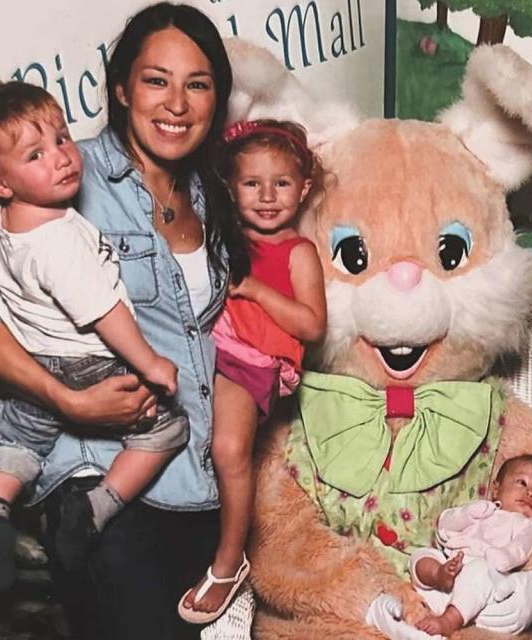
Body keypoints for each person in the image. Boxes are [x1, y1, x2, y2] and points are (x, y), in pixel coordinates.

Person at [0, 4, 244, 638]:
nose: (177, 103)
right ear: (120, 87)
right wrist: (67, 401)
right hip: (98, 484)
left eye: (198, 84)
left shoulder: (211, 193)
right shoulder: (56, 175)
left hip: (197, 480)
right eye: (156, 80)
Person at [0, 80, 187, 595]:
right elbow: (105, 315)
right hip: (91, 363)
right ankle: (95, 509)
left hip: (37, 358)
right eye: (36, 154)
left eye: (61, 138)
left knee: (16, 435)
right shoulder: (60, 240)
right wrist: (150, 363)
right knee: (166, 431)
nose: (61, 158)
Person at [178, 119, 327, 623]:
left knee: (229, 448)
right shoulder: (223, 234)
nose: (267, 196)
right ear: (230, 188)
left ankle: (229, 562)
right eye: (251, 184)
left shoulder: (297, 252)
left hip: (253, 360)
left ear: (303, 188)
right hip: (205, 347)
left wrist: (258, 291)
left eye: (281, 183)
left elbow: (311, 325)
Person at [409, 454, 532, 637]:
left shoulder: (529, 525)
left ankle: (449, 621)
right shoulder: (484, 509)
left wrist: (504, 557)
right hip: (449, 574)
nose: (530, 493)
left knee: (479, 572)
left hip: (485, 580)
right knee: (421, 555)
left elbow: (521, 547)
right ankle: (439, 575)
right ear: (496, 488)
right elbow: (444, 526)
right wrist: (465, 515)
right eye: (522, 482)